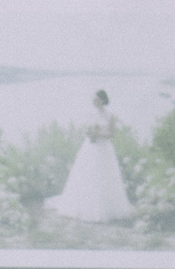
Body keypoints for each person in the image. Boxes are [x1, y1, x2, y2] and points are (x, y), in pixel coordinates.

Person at [49, 90, 136, 223]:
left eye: (96, 99)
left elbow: (112, 133)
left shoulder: (110, 115)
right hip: (90, 147)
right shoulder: (91, 114)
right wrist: (90, 134)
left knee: (104, 176)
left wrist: (99, 135)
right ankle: (84, 206)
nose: (94, 101)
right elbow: (87, 129)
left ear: (102, 100)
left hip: (104, 148)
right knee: (87, 174)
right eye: (93, 99)